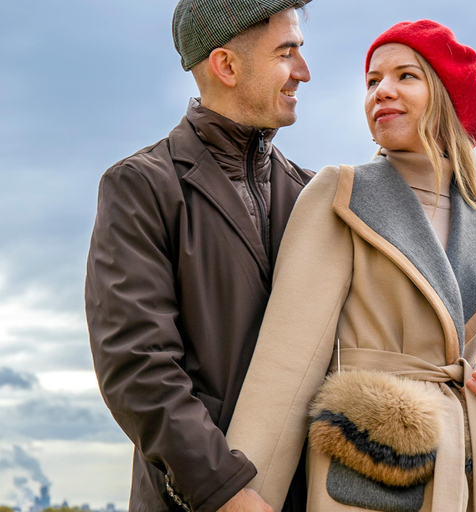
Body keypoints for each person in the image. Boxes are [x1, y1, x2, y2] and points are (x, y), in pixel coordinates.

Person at [226, 20, 476, 512]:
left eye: (406, 76)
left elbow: (463, 359)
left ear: (445, 96)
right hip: (370, 485)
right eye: (373, 81)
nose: (383, 91)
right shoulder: (342, 193)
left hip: (471, 481)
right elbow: (287, 365)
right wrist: (243, 495)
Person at [85, 1, 314, 511]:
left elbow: (393, 332)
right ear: (226, 66)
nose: (304, 71)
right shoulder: (141, 186)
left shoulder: (318, 195)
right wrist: (226, 492)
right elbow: (137, 366)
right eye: (287, 53)